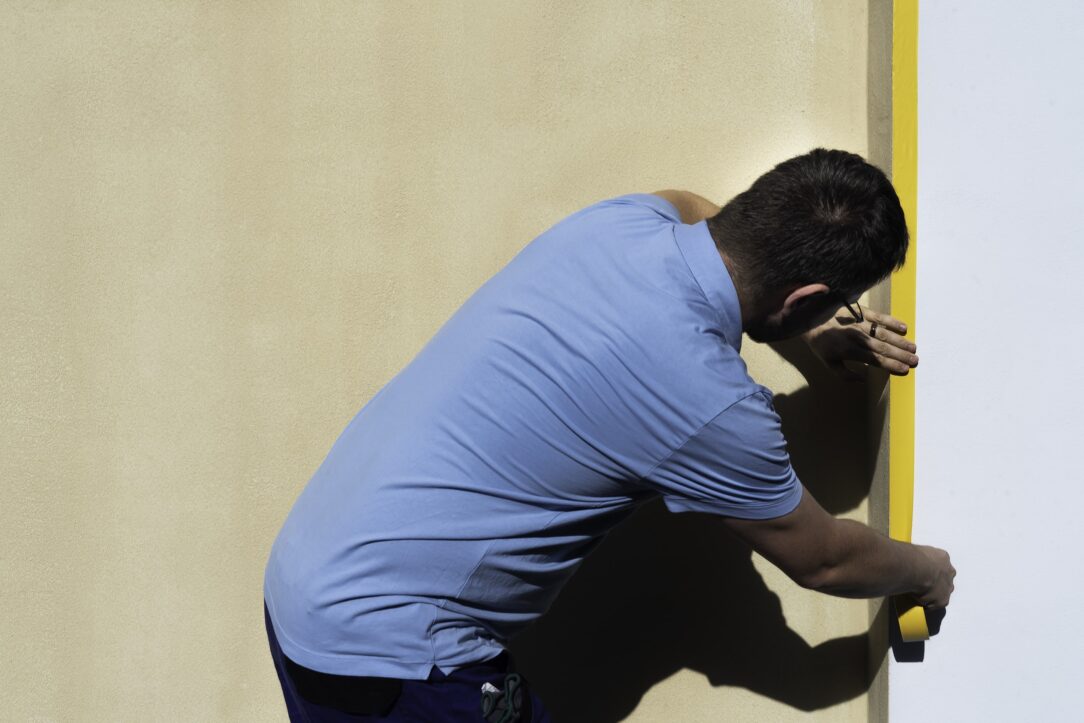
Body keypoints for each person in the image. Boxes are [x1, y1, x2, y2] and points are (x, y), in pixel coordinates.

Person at [263, 148, 956, 722]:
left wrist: (812, 335)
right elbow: (824, 558)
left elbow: (689, 201)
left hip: (306, 578)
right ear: (805, 299)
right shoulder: (711, 402)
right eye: (839, 304)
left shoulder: (623, 222)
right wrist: (929, 571)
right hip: (394, 653)